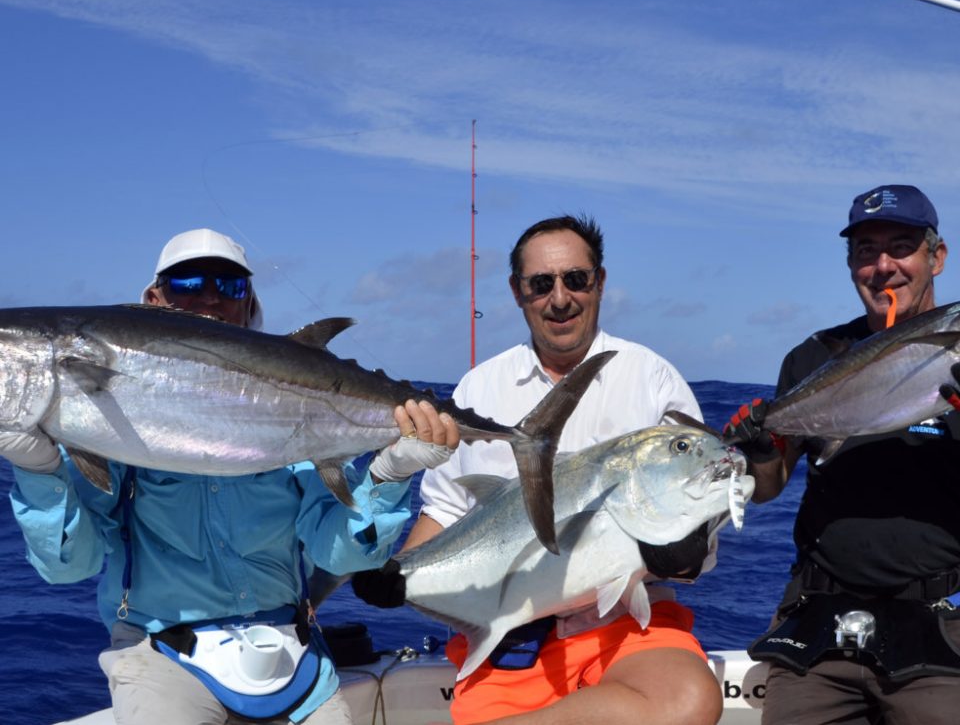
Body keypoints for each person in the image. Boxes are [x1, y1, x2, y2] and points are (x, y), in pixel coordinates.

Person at [2, 228, 460, 725]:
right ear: (154, 298)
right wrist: (40, 472)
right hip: (159, 656)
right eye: (188, 283)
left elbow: (340, 553)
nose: (210, 298)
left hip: (293, 656)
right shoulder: (104, 433)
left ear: (249, 304)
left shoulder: (296, 414)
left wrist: (390, 475)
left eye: (230, 286)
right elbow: (69, 568)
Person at [354, 215, 724, 725]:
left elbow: (697, 535)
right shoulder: (479, 390)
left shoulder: (651, 379)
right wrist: (397, 576)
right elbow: (444, 513)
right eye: (541, 284)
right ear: (516, 291)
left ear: (600, 282)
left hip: (625, 624)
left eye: (576, 279)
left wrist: (683, 553)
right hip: (509, 634)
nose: (560, 297)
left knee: (687, 700)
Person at [724, 185, 960, 724]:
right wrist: (759, 447)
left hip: (941, 626)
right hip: (816, 625)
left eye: (900, 247)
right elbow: (766, 487)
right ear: (851, 265)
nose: (883, 267)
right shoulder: (813, 356)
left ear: (936, 257)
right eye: (865, 252)